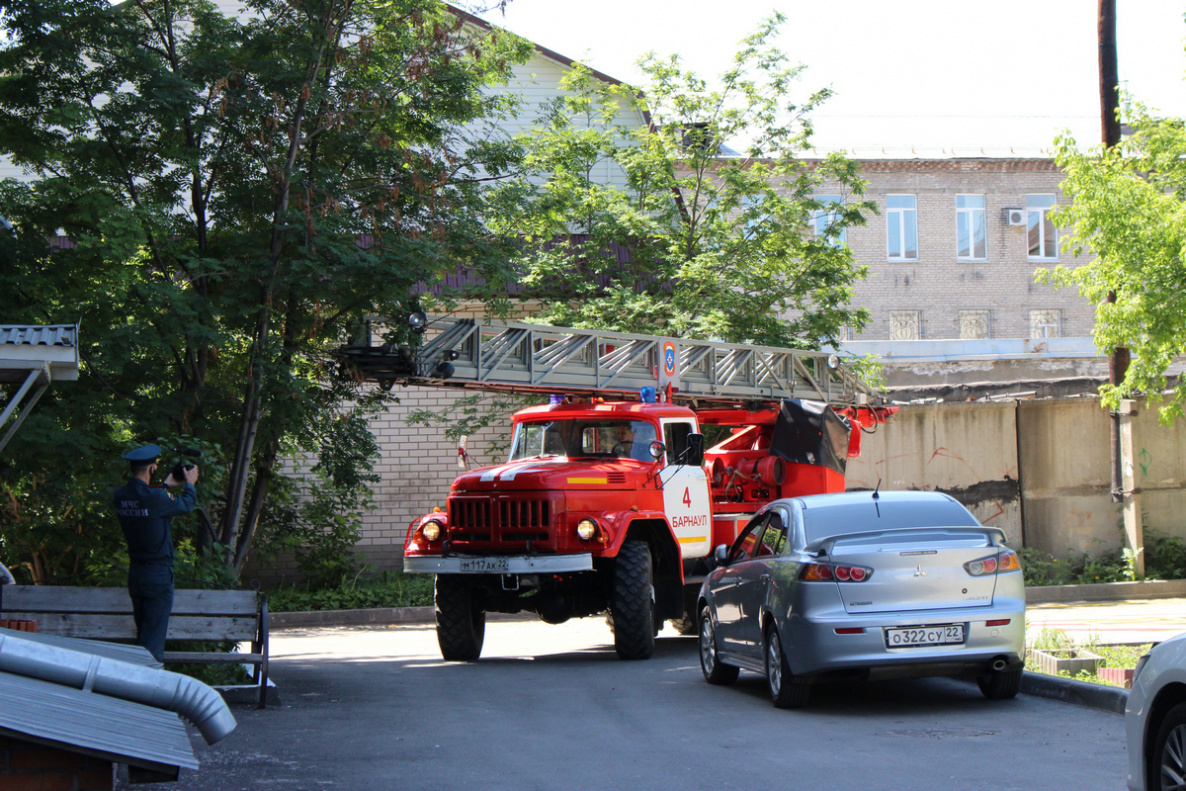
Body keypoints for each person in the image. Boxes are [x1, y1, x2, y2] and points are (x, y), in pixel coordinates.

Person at [112, 444, 199, 661]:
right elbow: (186, 504)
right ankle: (146, 687)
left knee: (144, 633)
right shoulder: (156, 498)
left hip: (137, 575)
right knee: (152, 643)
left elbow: (146, 502)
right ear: (152, 469)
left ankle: (137, 685)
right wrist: (190, 484)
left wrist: (165, 486)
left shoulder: (120, 496)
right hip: (157, 577)